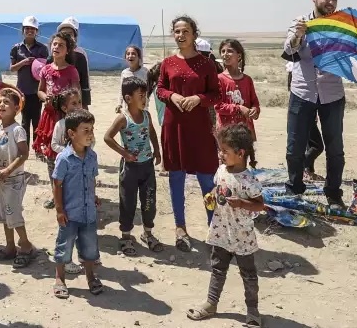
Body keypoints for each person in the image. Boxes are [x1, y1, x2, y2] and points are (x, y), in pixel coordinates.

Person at [187, 124, 265, 326]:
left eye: (225, 151)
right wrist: (211, 196)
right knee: (218, 269)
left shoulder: (249, 180)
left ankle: (253, 311)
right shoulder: (221, 170)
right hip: (221, 232)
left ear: (240, 153)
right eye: (220, 150)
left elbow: (260, 205)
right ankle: (211, 303)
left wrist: (241, 203)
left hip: (243, 237)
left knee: (248, 275)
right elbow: (217, 187)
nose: (220, 155)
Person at [156, 16, 222, 252]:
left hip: (200, 128)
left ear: (195, 34)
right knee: (176, 178)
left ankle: (214, 226)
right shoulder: (167, 63)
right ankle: (180, 227)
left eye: (185, 31)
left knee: (207, 179)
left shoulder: (207, 65)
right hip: (174, 126)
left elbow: (216, 94)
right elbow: (160, 88)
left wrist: (198, 99)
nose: (180, 35)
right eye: (176, 31)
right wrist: (172, 96)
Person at [284, 0, 347, 206]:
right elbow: (289, 50)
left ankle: (333, 193)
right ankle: (294, 190)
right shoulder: (299, 23)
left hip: (333, 94)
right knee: (295, 146)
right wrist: (298, 36)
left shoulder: (343, 26)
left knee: (335, 148)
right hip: (303, 93)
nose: (330, 2)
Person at [104, 76, 163, 256]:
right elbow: (107, 137)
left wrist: (157, 151)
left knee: (149, 201)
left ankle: (148, 233)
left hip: (147, 167)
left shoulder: (147, 115)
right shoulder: (123, 118)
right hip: (130, 169)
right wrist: (125, 153)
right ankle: (126, 236)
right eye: (140, 95)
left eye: (145, 95)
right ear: (128, 98)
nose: (144, 99)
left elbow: (152, 132)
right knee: (128, 202)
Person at [51, 108, 103, 299]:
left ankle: (90, 277)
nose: (90, 134)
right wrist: (59, 210)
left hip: (88, 212)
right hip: (70, 213)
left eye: (92, 129)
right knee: (64, 246)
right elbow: (57, 184)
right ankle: (60, 278)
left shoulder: (93, 156)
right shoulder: (64, 158)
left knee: (89, 247)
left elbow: (91, 179)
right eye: (86, 130)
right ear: (72, 134)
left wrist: (94, 196)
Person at [0, 87, 37, 268]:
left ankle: (26, 246)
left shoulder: (18, 130)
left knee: (13, 214)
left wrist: (8, 169)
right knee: (5, 215)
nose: (2, 104)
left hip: (14, 180)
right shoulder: (0, 129)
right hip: (4, 180)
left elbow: (23, 154)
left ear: (17, 108)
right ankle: (10, 247)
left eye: (6, 102)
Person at [32, 34, 83, 208]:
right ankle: (56, 195)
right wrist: (46, 97)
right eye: (54, 44)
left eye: (60, 45)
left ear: (67, 50)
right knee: (51, 158)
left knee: (67, 155)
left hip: (66, 118)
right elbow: (39, 91)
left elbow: (77, 95)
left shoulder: (72, 71)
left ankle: (70, 193)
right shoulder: (46, 69)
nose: (56, 47)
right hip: (49, 118)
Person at [8, 16, 49, 141]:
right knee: (25, 120)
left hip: (37, 90)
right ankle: (24, 147)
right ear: (23, 30)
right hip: (22, 90)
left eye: (33, 29)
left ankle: (37, 147)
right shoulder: (16, 48)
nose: (30, 31)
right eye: (27, 29)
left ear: (37, 31)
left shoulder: (42, 48)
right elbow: (12, 68)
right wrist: (23, 62)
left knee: (37, 119)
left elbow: (46, 69)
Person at [217, 38, 260, 140]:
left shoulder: (247, 80)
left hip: (244, 131)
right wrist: (239, 108)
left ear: (239, 56)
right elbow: (218, 106)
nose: (225, 54)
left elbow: (255, 102)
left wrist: (255, 110)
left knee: (243, 155)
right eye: (223, 51)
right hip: (226, 132)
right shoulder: (219, 79)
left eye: (230, 51)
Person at [57, 17, 92, 108]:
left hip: (75, 98)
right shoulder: (55, 53)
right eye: (64, 34)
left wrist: (84, 102)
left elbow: (85, 79)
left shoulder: (81, 55)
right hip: (59, 98)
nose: (67, 36)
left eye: (70, 34)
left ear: (75, 36)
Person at [117, 44, 144, 113]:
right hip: (127, 110)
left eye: (133, 54)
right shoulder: (124, 73)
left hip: (142, 109)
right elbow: (121, 90)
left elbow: (149, 90)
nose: (130, 56)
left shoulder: (145, 72)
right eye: (128, 54)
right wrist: (119, 104)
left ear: (139, 57)